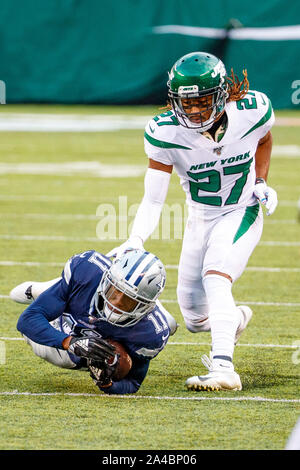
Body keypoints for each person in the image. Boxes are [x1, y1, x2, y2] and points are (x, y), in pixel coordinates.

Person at [107, 51, 278, 391]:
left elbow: (264, 139)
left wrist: (260, 182)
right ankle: (236, 318)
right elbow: (154, 198)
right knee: (196, 319)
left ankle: (223, 368)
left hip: (241, 209)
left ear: (220, 94)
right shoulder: (165, 132)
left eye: (201, 101)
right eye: (186, 103)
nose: (194, 110)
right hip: (199, 218)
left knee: (216, 276)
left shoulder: (252, 110)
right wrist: (135, 240)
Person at [11, 249, 177, 394]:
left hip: (83, 357)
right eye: (114, 291)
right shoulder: (88, 273)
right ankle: (43, 290)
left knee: (170, 325)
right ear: (107, 280)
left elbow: (133, 382)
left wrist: (106, 384)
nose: (116, 303)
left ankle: (63, 290)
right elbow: (27, 321)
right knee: (30, 310)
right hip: (65, 322)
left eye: (128, 301)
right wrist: (69, 342)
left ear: (144, 306)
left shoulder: (149, 334)